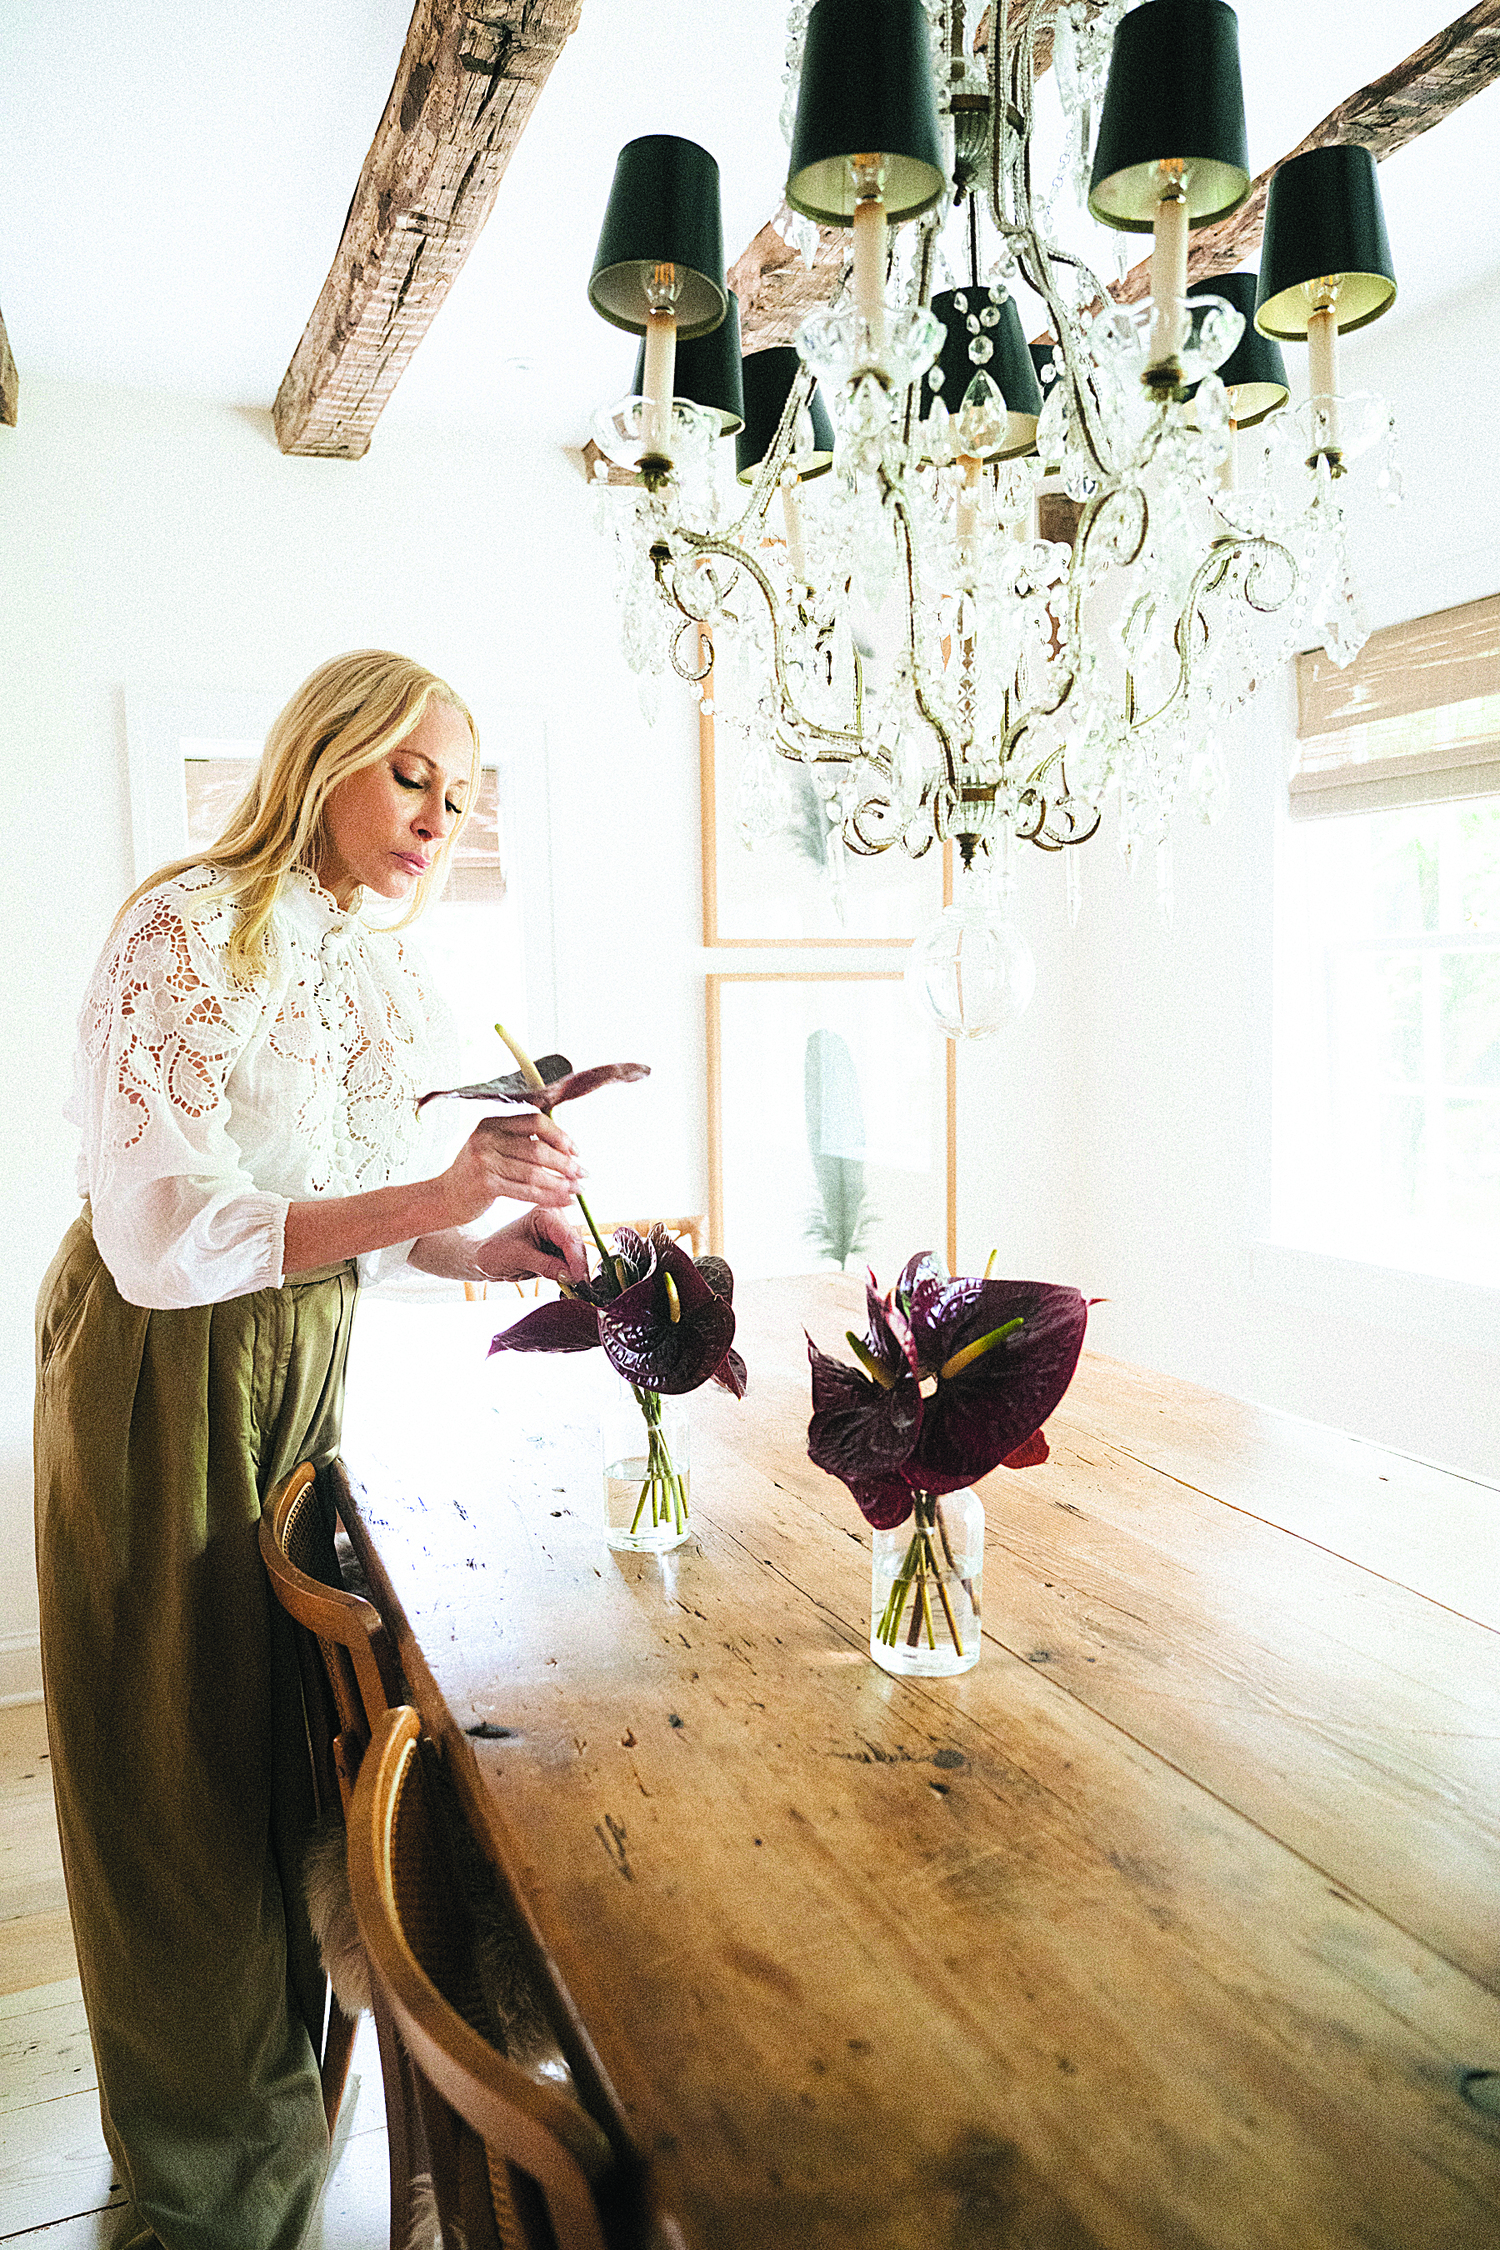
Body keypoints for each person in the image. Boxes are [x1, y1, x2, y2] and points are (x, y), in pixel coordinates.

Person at [33, 649, 590, 2250]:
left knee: (291, 1757)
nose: (440, 817)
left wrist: (491, 1248)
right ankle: (205, 2196)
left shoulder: (371, 965)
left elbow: (352, 1214)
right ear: (328, 752)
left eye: (464, 795)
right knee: (173, 1780)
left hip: (289, 1363)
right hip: (159, 1368)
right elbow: (159, 1235)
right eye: (416, 774)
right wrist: (438, 1192)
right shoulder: (185, 927)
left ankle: (305, 2126)